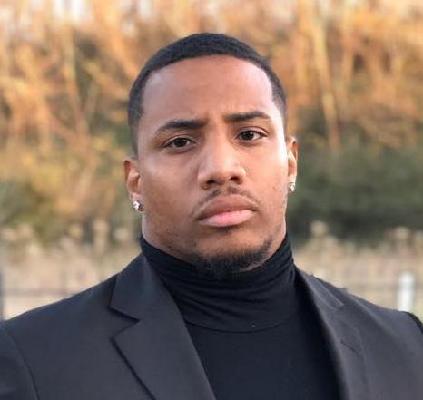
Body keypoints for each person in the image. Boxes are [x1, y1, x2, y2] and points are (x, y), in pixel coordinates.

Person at [0, 33, 422, 400]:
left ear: (291, 163)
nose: (221, 168)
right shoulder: (33, 359)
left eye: (249, 135)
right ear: (136, 182)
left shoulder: (404, 346)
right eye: (180, 142)